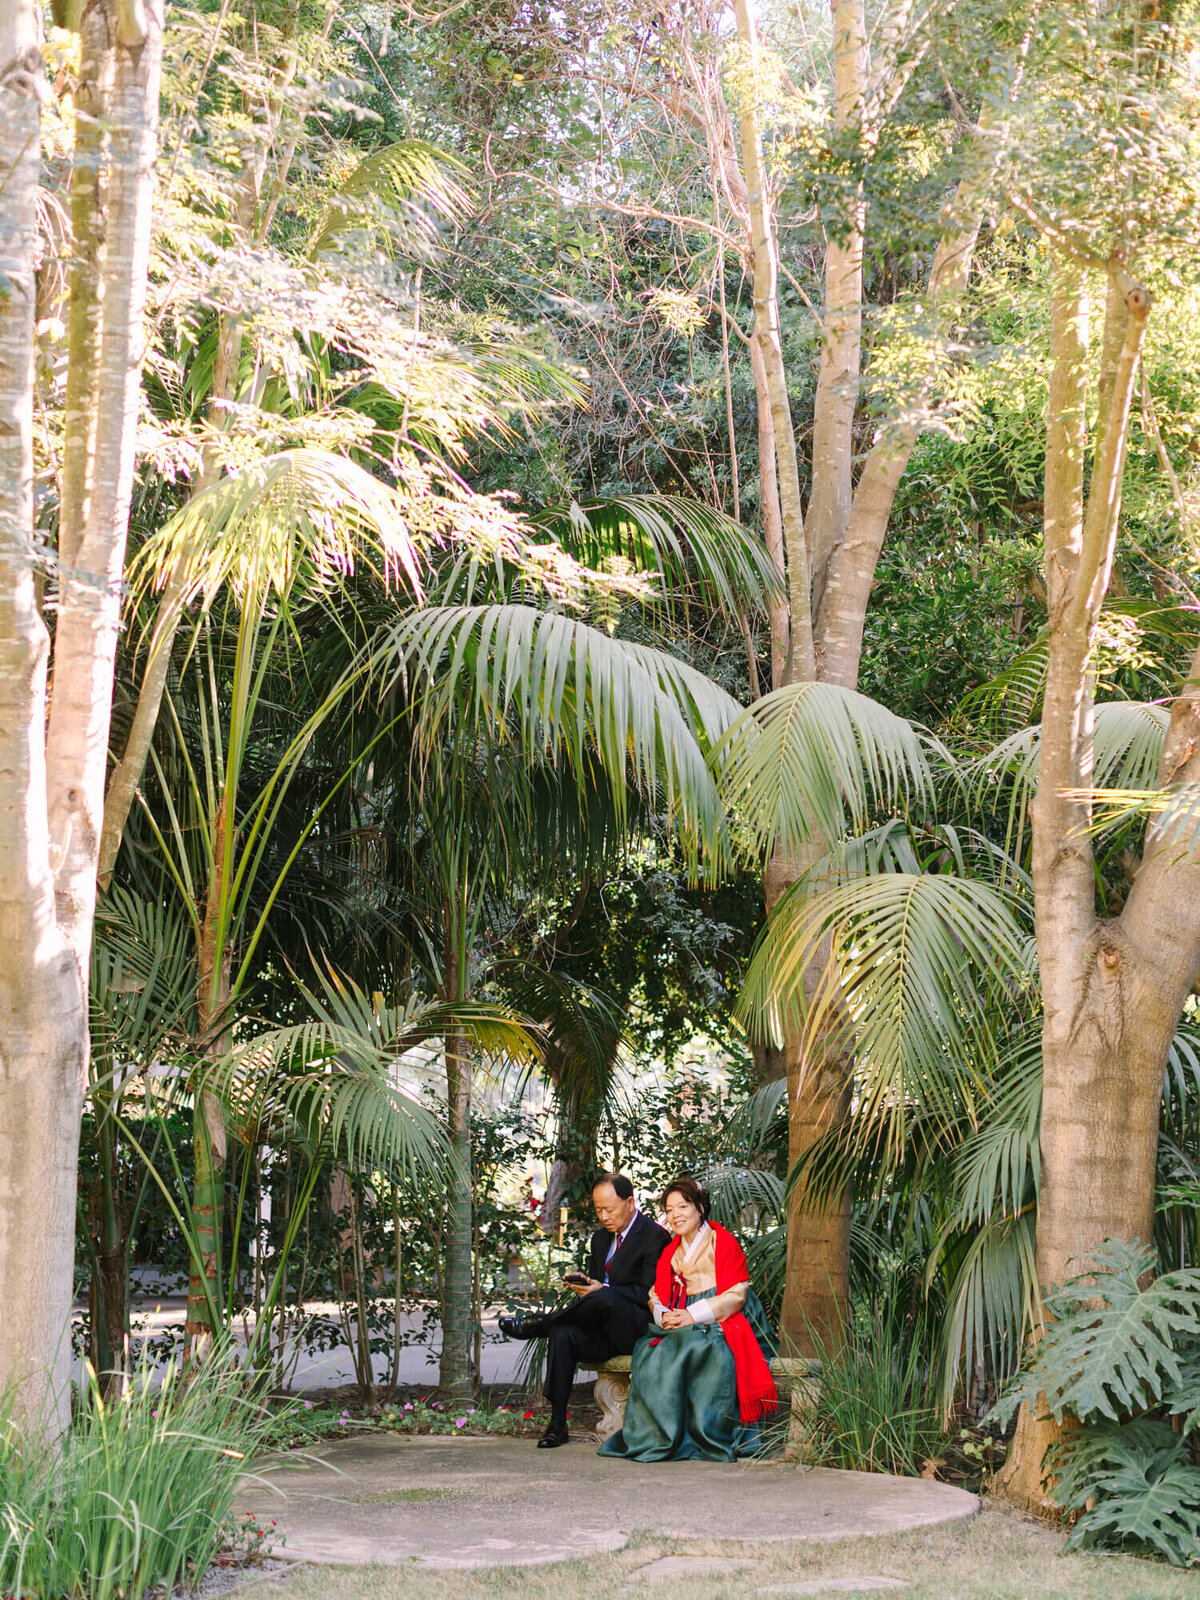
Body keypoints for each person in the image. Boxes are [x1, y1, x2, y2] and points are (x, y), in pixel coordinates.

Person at [598, 1175, 778, 1463]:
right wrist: (664, 1314)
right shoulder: (671, 1251)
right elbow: (655, 1294)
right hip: (682, 1317)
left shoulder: (722, 1241)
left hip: (723, 1316)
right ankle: (664, 1435)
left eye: (682, 1207)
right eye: (669, 1210)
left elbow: (737, 1294)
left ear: (699, 1208)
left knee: (706, 1347)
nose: (675, 1215)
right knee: (650, 1350)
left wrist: (691, 1315)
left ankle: (707, 1434)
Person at [498, 1173, 671, 1449]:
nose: (604, 1216)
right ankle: (557, 1423)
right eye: (598, 1209)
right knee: (562, 1332)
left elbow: (647, 1293)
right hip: (602, 1329)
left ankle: (541, 1323)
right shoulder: (601, 1239)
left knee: (605, 1298)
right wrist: (590, 1285)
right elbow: (598, 1287)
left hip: (635, 1329)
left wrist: (602, 1291)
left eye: (609, 1209)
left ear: (630, 1202)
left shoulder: (654, 1236)